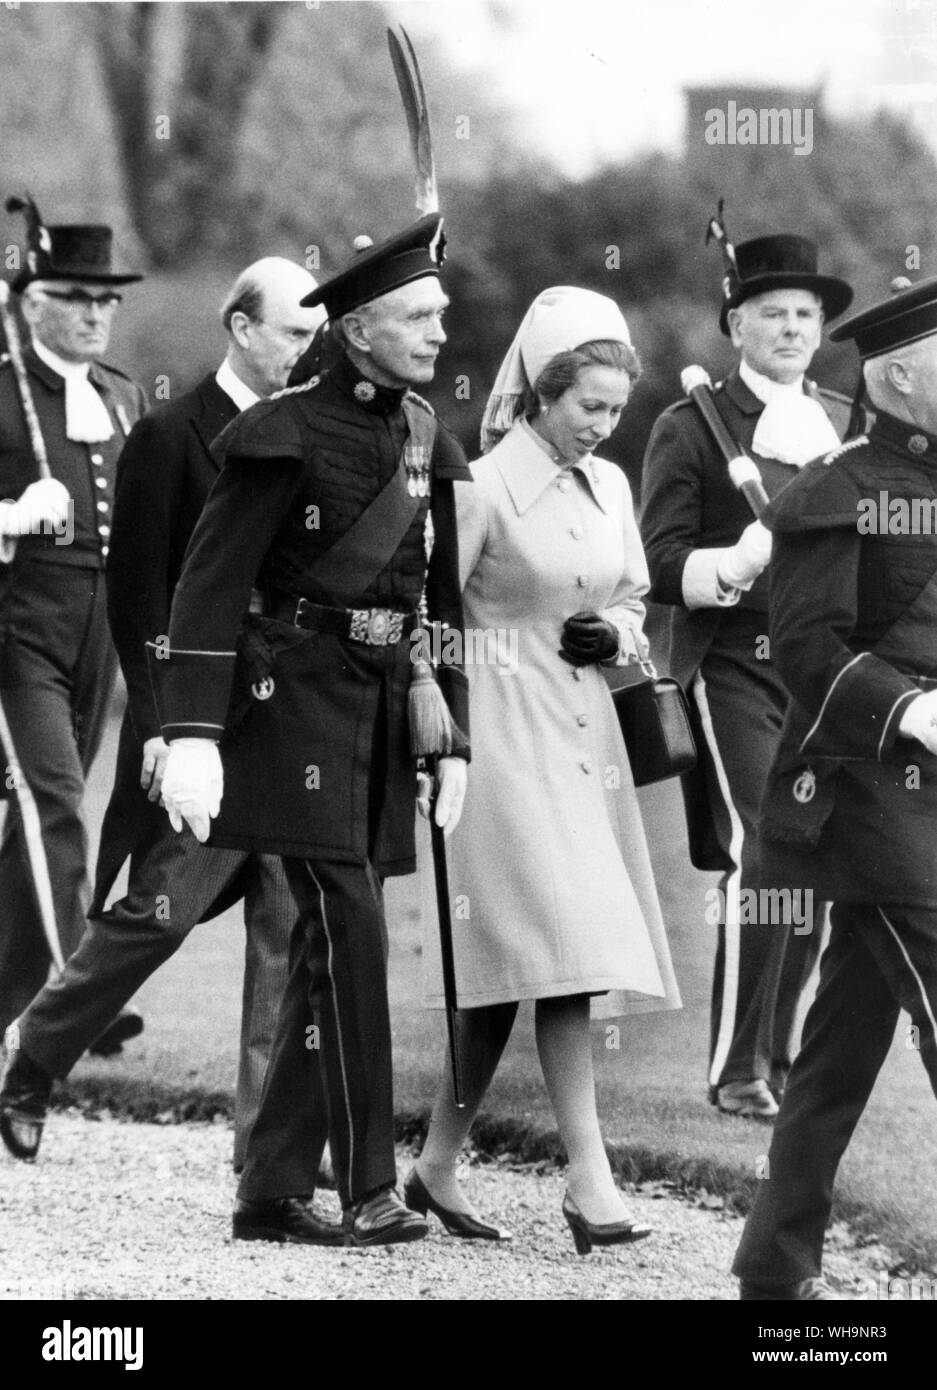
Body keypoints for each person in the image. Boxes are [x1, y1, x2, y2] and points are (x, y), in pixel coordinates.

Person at [0, 261, 334, 1230]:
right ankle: (37, 1053)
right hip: (201, 723)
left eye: (318, 337)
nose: (309, 354)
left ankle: (266, 1172)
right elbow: (139, 592)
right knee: (160, 910)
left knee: (289, 929)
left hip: (297, 719)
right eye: (293, 336)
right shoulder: (166, 434)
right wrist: (162, 724)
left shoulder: (311, 431)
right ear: (239, 327)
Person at [153, 213, 470, 1247]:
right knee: (352, 931)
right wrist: (192, 728)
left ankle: (270, 1188)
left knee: (322, 954)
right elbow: (209, 583)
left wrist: (449, 735)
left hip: (380, 707)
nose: (440, 330)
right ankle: (370, 1183)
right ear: (363, 329)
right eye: (419, 316)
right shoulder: (281, 428)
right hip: (288, 707)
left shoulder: (424, 431)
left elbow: (441, 600)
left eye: (441, 312)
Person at [409, 287, 680, 1254]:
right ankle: (590, 1182)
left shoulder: (609, 488)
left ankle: (436, 1165)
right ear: (539, 393)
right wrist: (436, 739)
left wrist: (618, 632)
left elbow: (636, 597)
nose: (603, 429)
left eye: (614, 410)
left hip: (583, 740)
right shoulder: (477, 485)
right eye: (588, 408)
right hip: (495, 741)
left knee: (511, 974)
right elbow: (432, 622)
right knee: (561, 958)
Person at [733, 274, 937, 1300]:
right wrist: (911, 708)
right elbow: (807, 649)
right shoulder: (832, 491)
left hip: (923, 808)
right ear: (902, 374)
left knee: (837, 1053)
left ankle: (773, 1269)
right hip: (863, 802)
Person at [640, 226, 856, 1119]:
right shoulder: (687, 423)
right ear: (736, 323)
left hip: (827, 667)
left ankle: (777, 1056)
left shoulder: (847, 424)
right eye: (772, 312)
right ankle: (736, 1067)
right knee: (764, 843)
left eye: (805, 314)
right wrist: (737, 557)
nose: (792, 328)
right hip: (730, 656)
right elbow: (657, 563)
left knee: (815, 852)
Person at [0, 196, 146, 1054]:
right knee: (55, 803)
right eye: (77, 297)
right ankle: (82, 993)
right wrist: (9, 515)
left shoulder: (124, 400)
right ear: (31, 300)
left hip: (100, 637)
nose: (95, 313)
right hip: (15, 633)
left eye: (107, 299)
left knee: (34, 832)